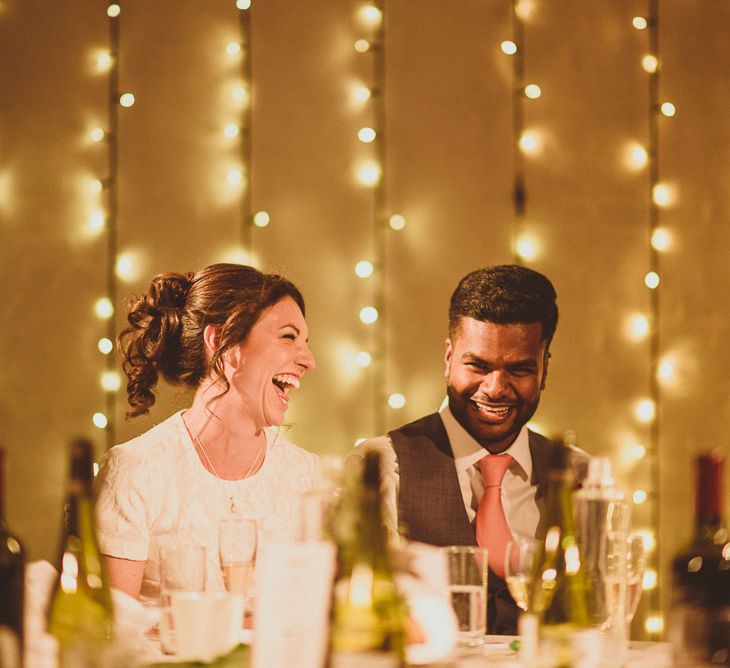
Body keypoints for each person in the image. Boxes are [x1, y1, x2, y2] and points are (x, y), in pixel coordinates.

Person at [351, 264, 589, 635]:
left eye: (519, 370)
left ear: (545, 369)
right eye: (477, 365)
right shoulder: (383, 465)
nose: (495, 388)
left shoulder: (579, 477)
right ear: (448, 358)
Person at [94, 263, 318, 603]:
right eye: (288, 336)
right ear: (222, 342)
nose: (309, 360)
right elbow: (108, 637)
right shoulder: (135, 472)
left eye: (305, 341)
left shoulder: (308, 479)